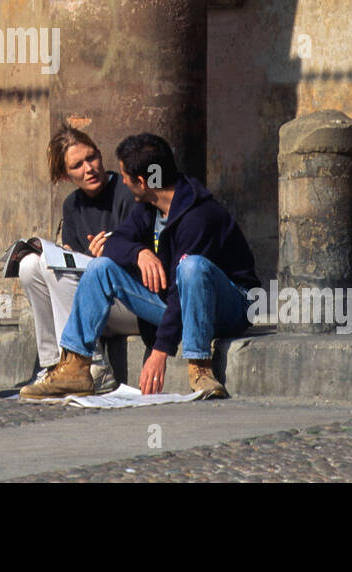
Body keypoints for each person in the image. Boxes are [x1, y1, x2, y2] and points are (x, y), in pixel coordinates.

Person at [21, 133, 258, 400]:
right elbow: (116, 242)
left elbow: (185, 290)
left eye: (124, 176)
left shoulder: (198, 216)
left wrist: (160, 352)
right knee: (100, 268)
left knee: (191, 268)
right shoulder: (149, 206)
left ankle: (200, 366)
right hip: (175, 301)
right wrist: (139, 252)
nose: (120, 181)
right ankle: (75, 366)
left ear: (142, 182)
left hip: (228, 307)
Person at [18, 125, 137, 395]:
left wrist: (108, 255)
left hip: (130, 302)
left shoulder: (126, 193)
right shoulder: (72, 206)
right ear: (65, 175)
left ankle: (93, 365)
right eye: (78, 165)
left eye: (92, 158)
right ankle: (54, 364)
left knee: (55, 266)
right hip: (93, 308)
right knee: (29, 265)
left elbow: (143, 261)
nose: (89, 168)